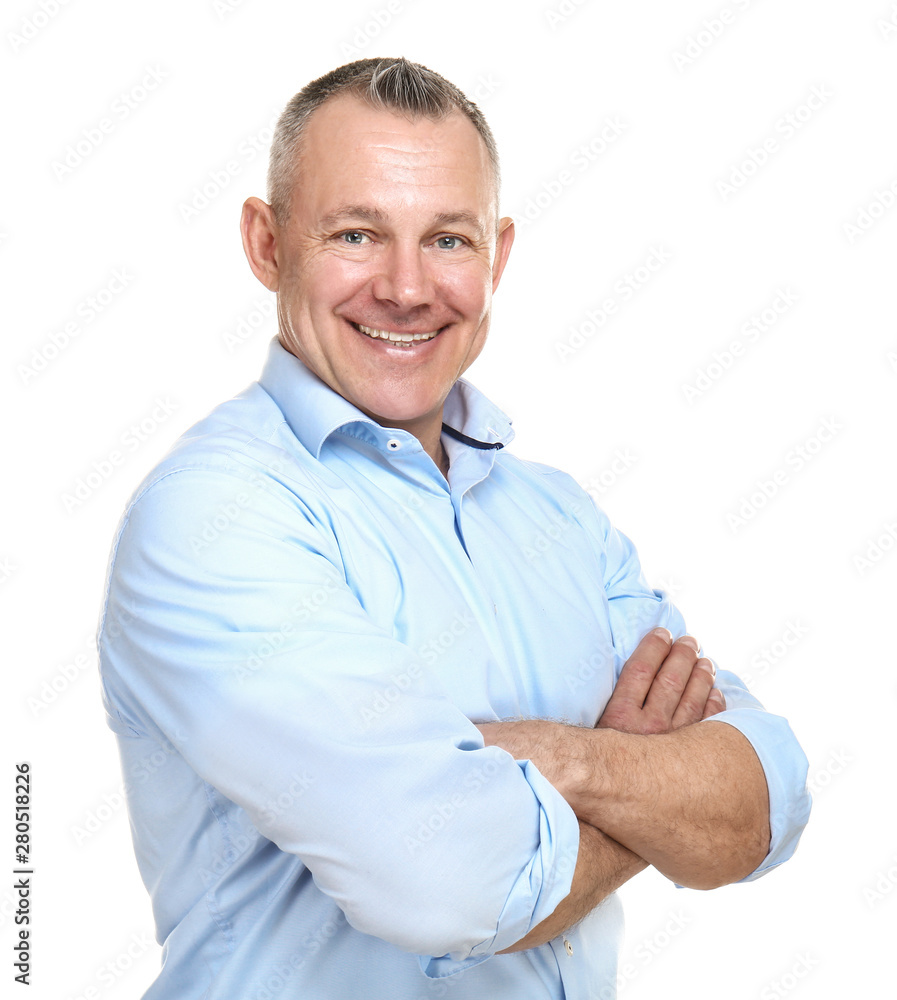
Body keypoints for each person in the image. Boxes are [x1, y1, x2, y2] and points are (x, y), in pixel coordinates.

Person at [97, 57, 810, 999]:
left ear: (497, 257)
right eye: (355, 233)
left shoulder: (558, 516)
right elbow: (447, 886)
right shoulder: (212, 518)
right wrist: (646, 779)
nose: (405, 288)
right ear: (267, 244)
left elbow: (768, 799)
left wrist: (551, 755)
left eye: (447, 240)